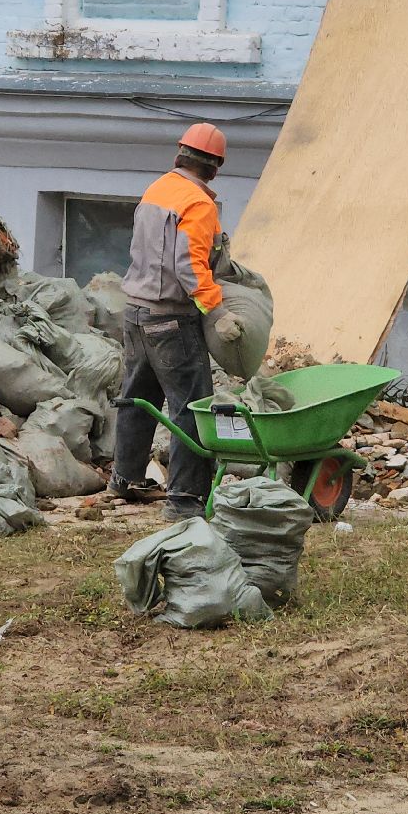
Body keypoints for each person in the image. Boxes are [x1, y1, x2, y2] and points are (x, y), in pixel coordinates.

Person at [111, 122, 242, 520]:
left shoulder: (157, 190)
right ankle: (185, 500)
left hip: (135, 312)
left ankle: (125, 479)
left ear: (178, 156)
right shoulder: (199, 204)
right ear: (215, 168)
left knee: (138, 398)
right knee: (192, 407)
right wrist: (217, 312)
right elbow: (189, 265)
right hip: (171, 319)